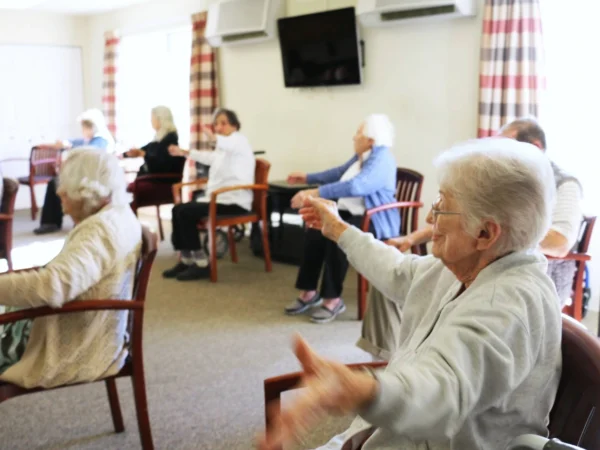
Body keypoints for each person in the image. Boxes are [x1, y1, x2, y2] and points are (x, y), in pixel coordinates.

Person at [259, 137, 562, 450]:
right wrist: (336, 228)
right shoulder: (465, 267)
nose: (430, 220)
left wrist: (359, 390)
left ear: (485, 233)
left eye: (442, 208)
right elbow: (398, 271)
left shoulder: (510, 304)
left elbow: (443, 390)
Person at [358, 117, 583, 360]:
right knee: (396, 278)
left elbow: (560, 243)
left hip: (534, 268)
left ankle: (422, 372)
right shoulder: (503, 181)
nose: (496, 154)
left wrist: (504, 231)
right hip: (487, 254)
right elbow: (465, 218)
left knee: (426, 285)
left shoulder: (565, 184)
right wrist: (413, 238)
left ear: (535, 147)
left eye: (503, 146)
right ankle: (389, 359)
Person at [0, 148, 141, 388]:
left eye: (67, 184)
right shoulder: (120, 214)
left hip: (72, 346)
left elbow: (53, 287)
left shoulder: (100, 231)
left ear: (89, 190)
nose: (59, 192)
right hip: (95, 333)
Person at [284, 114, 400, 324]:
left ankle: (332, 299)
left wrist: (315, 192)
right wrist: (308, 178)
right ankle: (309, 292)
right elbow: (339, 173)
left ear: (371, 140)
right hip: (353, 214)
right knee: (315, 230)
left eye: (358, 133)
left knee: (338, 236)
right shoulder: (363, 156)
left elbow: (357, 186)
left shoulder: (381, 158)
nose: (354, 137)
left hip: (374, 218)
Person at [163, 108, 255, 281]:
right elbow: (209, 158)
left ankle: (202, 264)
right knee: (178, 210)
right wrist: (184, 152)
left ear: (234, 126)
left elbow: (222, 143)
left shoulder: (239, 141)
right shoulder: (224, 148)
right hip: (219, 198)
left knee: (186, 212)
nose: (219, 127)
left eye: (223, 123)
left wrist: (212, 136)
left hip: (234, 201)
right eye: (216, 124)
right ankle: (186, 259)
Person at [33, 108, 114, 235]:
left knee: (56, 183)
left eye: (85, 127)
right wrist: (63, 144)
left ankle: (52, 222)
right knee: (54, 183)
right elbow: (72, 142)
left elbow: (89, 153)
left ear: (92, 126)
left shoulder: (101, 140)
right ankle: (50, 222)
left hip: (95, 178)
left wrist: (70, 147)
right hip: (86, 175)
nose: (83, 130)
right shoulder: (89, 139)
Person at [123, 105, 186, 179]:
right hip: (152, 179)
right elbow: (143, 150)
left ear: (161, 119)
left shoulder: (170, 139)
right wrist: (128, 154)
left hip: (160, 181)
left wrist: (143, 154)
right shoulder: (159, 139)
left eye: (153, 118)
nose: (151, 121)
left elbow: (161, 165)